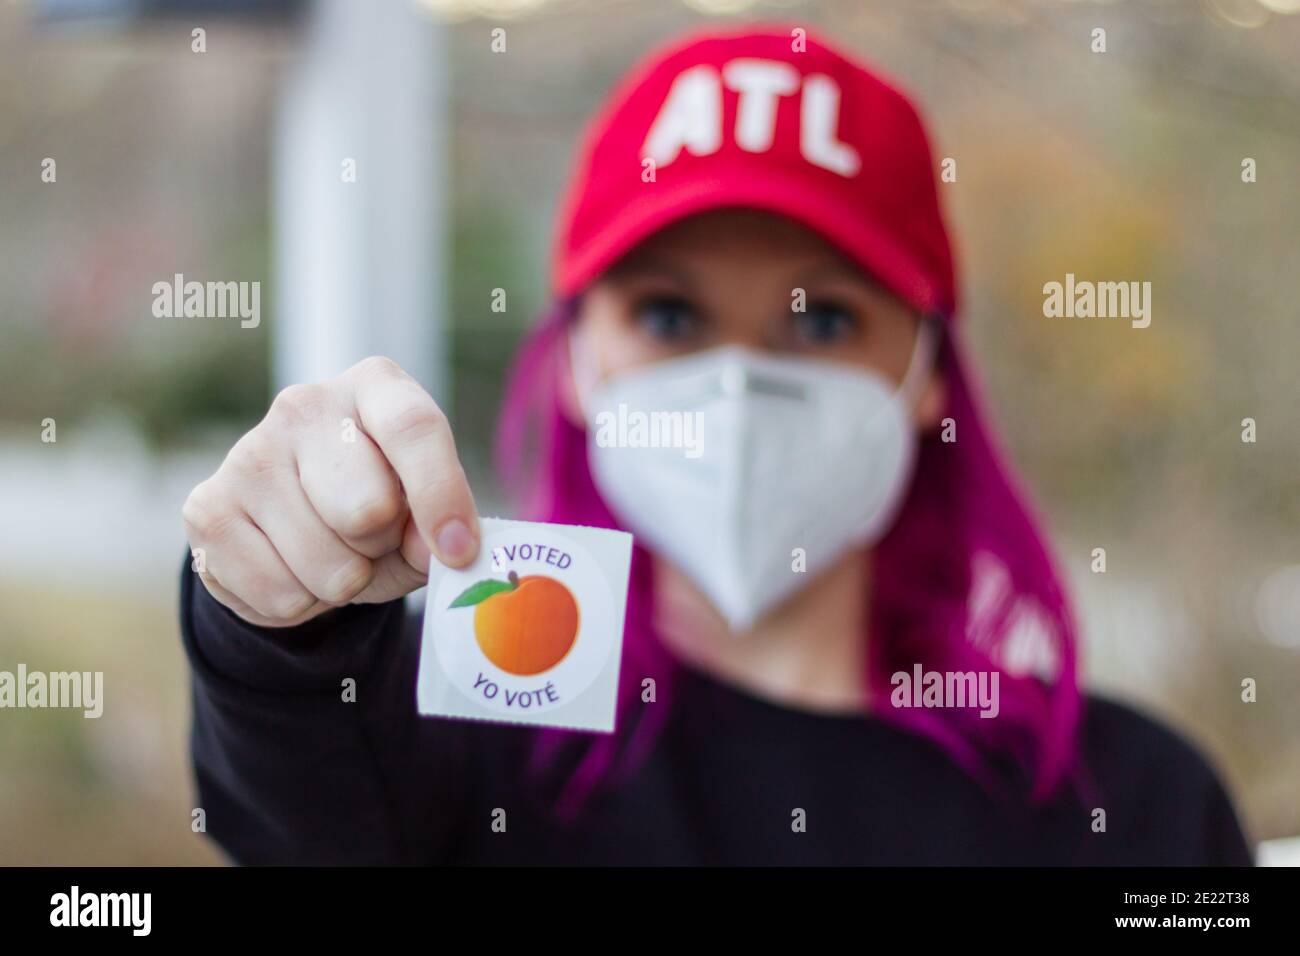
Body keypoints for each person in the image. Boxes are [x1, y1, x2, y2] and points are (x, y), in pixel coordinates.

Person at [179, 26, 1251, 865]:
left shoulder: (1134, 806)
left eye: (822, 320)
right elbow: (295, 810)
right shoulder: (459, 740)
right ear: (575, 364)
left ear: (925, 375)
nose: (738, 379)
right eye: (669, 316)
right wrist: (271, 622)